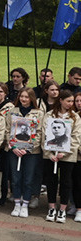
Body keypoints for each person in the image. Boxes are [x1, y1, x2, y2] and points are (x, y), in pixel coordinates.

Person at [42, 90, 81, 223]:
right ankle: (51, 207)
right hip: (51, 156)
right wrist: (50, 153)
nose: (71, 104)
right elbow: (44, 136)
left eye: (72, 101)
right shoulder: (49, 115)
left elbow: (76, 138)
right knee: (51, 181)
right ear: (61, 100)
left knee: (66, 182)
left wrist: (64, 152)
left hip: (67, 156)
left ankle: (62, 210)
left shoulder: (75, 117)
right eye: (68, 101)